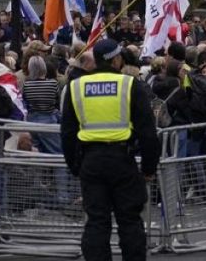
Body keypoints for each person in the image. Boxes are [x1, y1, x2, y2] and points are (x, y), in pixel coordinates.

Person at [60, 39, 160, 261]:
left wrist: (74, 165)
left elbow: (67, 132)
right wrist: (149, 167)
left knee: (96, 221)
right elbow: (147, 132)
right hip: (122, 160)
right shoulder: (130, 85)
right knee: (130, 221)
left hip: (91, 161)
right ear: (115, 59)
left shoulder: (76, 87)